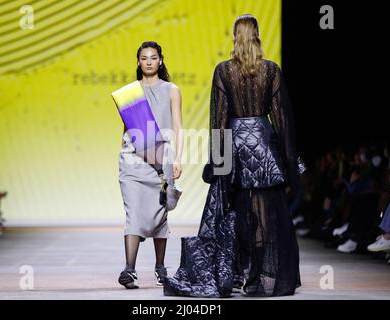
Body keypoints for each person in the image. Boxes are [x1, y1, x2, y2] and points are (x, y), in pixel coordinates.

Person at [163, 14, 301, 297]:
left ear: (235, 37)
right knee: (265, 218)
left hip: (236, 149)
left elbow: (219, 120)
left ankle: (237, 273)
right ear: (259, 36)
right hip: (264, 146)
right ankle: (259, 279)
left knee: (235, 214)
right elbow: (281, 119)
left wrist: (217, 161)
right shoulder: (271, 70)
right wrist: (289, 159)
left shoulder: (224, 71)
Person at [117, 41, 183, 289]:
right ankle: (129, 269)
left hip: (161, 158)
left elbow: (178, 126)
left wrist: (177, 157)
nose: (148, 62)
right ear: (138, 62)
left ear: (160, 61)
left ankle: (160, 267)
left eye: (153, 57)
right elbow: (127, 128)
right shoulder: (130, 93)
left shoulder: (172, 90)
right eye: (143, 58)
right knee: (133, 213)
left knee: (159, 215)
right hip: (132, 160)